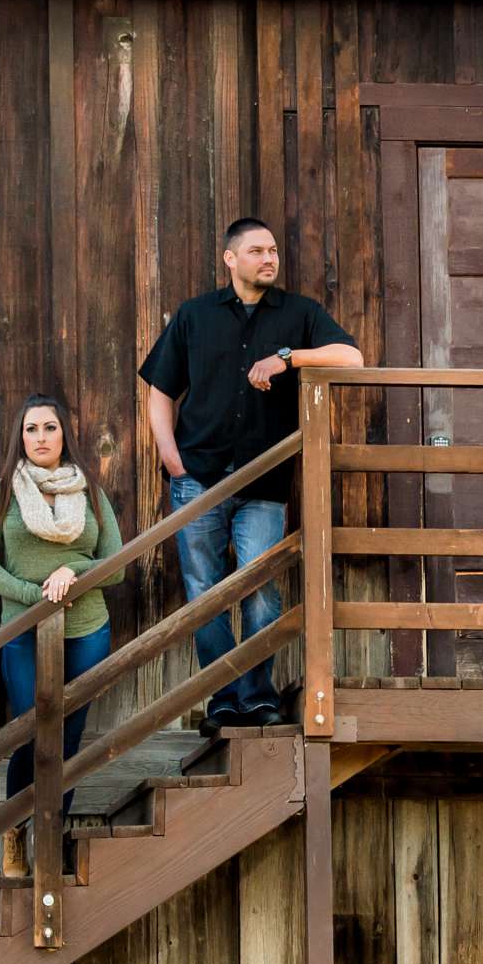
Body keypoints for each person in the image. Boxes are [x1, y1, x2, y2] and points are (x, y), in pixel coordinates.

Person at [140, 217, 363, 730]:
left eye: (273, 251)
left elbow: (350, 357)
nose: (269, 259)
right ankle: (222, 700)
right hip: (198, 477)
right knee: (206, 591)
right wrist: (173, 461)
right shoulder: (195, 316)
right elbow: (160, 391)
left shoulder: (299, 313)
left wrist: (288, 358)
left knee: (262, 590)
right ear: (230, 259)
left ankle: (257, 696)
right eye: (258, 251)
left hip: (264, 483)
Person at [0, 392, 122, 875]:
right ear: (21, 437)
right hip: (22, 629)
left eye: (49, 428)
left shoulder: (90, 492)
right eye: (31, 429)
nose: (40, 437)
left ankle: (50, 836)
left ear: (64, 435)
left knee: (69, 736)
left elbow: (114, 565)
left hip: (86, 628)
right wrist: (36, 595)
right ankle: (14, 834)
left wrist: (72, 572)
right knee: (31, 732)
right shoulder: (3, 493)